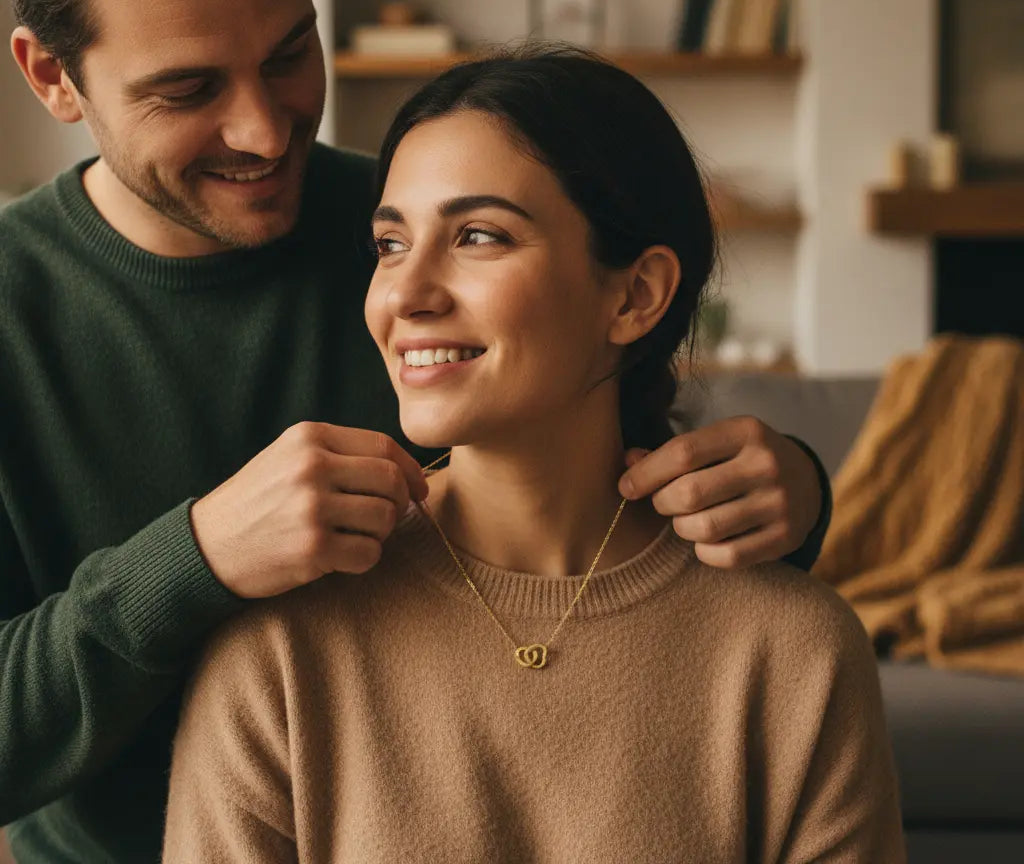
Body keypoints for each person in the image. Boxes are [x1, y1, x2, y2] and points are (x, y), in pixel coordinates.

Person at [0, 0, 833, 862]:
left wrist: (787, 494)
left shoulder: (411, 228)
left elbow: (617, 506)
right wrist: (196, 558)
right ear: (52, 76)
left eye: (288, 55)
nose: (264, 132)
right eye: (187, 90)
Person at [161, 49, 905, 862]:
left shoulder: (796, 652)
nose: (406, 295)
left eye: (478, 236)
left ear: (635, 296)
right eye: (389, 244)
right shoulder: (282, 650)